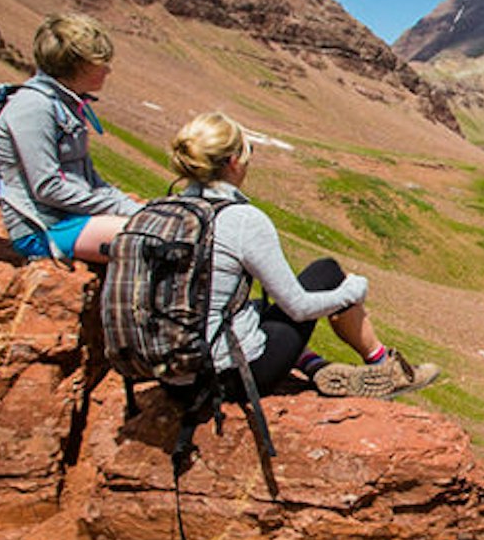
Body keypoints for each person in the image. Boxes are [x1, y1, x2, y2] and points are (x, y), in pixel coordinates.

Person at [168, 110, 440, 400]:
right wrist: (352, 290)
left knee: (254, 307)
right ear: (233, 162)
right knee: (327, 272)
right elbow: (299, 307)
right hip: (230, 378)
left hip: (170, 375)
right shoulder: (242, 219)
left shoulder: (165, 211)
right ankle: (386, 368)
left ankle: (314, 365)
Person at [0, 13, 141, 263]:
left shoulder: (66, 104)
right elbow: (47, 188)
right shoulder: (33, 107)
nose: (108, 70)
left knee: (162, 228)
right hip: (44, 227)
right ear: (77, 66)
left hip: (75, 217)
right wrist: (123, 211)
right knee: (154, 239)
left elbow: (91, 181)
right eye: (100, 63)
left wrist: (137, 210)